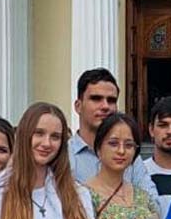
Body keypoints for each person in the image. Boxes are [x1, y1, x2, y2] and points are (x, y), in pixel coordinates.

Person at [67, 69, 156, 197]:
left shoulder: (128, 155)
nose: (105, 106)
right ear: (78, 106)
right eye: (96, 99)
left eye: (111, 100)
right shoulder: (64, 156)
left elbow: (152, 203)